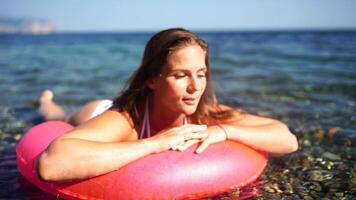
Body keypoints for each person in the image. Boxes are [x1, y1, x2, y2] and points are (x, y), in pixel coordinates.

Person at [37, 28, 298, 182]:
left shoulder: (204, 115)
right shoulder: (127, 120)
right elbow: (50, 163)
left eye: (201, 73)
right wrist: (155, 143)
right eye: (181, 75)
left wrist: (225, 131)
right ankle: (46, 101)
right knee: (56, 116)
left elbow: (287, 139)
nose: (195, 87)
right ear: (152, 78)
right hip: (97, 111)